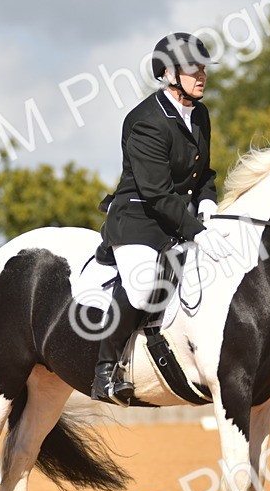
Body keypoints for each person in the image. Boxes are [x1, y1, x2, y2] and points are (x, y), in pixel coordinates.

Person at [91, 32, 237, 405]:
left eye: (203, 68)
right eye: (193, 69)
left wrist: (207, 204)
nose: (202, 75)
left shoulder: (200, 114)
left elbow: (203, 174)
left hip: (181, 218)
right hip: (139, 219)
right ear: (169, 73)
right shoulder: (146, 121)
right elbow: (156, 192)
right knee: (141, 287)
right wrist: (197, 231)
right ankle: (105, 371)